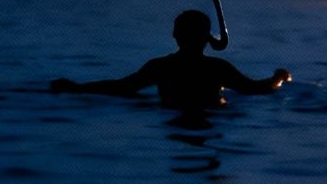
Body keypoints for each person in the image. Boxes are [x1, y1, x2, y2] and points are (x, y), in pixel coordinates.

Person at [50, 10, 289, 111]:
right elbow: (257, 89)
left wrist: (75, 87)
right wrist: (279, 78)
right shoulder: (217, 69)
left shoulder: (161, 67)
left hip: (169, 115)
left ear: (176, 36)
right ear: (206, 39)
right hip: (214, 116)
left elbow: (121, 87)